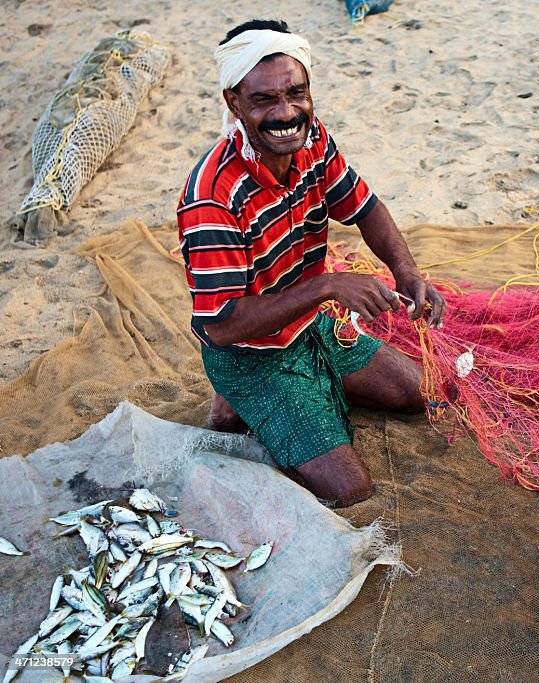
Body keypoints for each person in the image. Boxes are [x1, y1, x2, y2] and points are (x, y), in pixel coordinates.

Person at [177, 19, 445, 506]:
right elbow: (222, 326)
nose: (286, 113)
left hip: (310, 326)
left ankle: (301, 397)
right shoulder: (212, 198)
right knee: (350, 489)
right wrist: (327, 287)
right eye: (264, 100)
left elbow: (365, 208)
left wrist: (408, 274)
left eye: (296, 93)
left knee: (419, 393)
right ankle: (243, 397)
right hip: (249, 356)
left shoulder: (312, 140)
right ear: (233, 102)